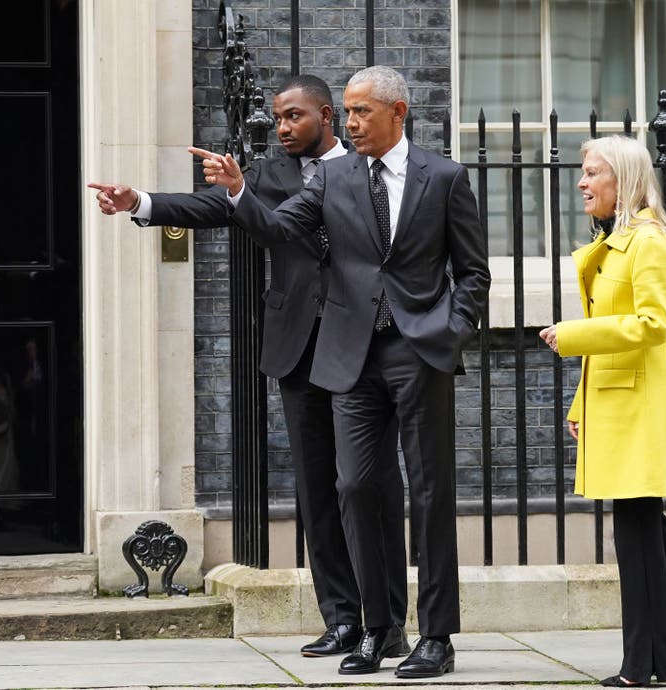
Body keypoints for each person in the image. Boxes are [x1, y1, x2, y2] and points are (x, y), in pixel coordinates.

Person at [88, 74, 409, 659]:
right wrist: (142, 202)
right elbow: (213, 206)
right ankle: (341, 618)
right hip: (297, 347)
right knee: (316, 490)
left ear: (327, 116)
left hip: (361, 346)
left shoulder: (367, 166)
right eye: (277, 119)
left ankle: (387, 622)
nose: (281, 128)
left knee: (366, 485)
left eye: (293, 117)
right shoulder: (265, 175)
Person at [193, 65, 490, 678]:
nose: (350, 123)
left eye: (361, 112)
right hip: (350, 354)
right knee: (354, 485)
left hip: (419, 350)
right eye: (347, 112)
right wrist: (238, 192)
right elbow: (279, 229)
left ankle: (436, 636)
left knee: (430, 493)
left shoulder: (445, 176)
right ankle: (379, 628)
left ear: (398, 112)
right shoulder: (332, 176)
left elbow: (473, 272)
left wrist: (452, 328)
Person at [539, 135, 666, 687]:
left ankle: (648, 664)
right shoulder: (616, 241)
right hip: (617, 398)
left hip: (641, 402)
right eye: (583, 172)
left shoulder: (647, 242)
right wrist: (579, 402)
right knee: (648, 529)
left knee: (637, 532)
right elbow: (614, 339)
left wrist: (571, 334)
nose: (582, 182)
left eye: (593, 173)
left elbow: (652, 325)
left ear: (622, 180)